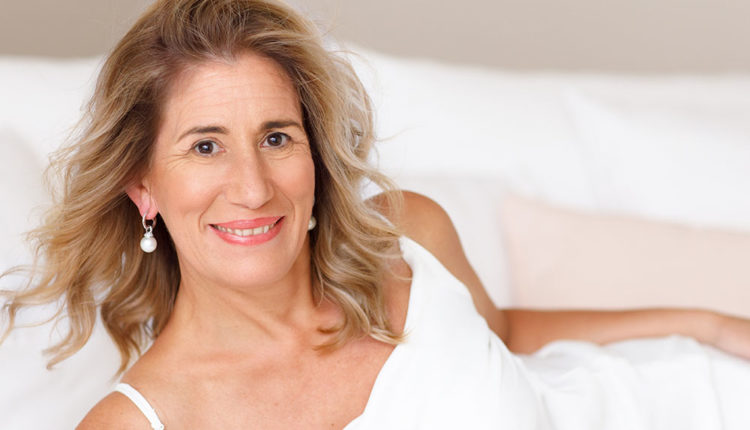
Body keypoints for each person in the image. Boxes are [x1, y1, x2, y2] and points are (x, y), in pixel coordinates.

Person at [2, 0, 750, 428]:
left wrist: (709, 324)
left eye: (276, 137)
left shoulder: (402, 236)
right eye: (205, 146)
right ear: (142, 187)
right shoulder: (140, 422)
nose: (254, 187)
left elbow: (508, 334)